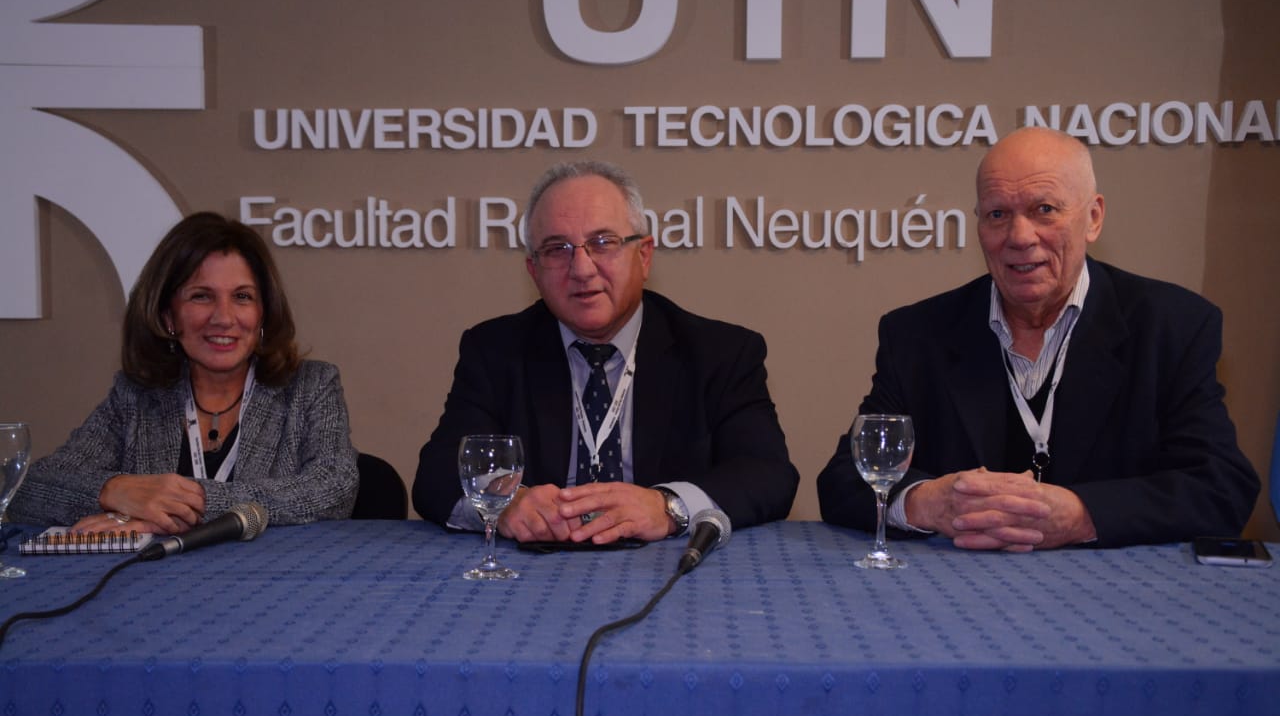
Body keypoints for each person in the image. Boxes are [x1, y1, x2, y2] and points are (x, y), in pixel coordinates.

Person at [817, 126, 1258, 549]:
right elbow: (844, 479)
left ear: (1093, 218)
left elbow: (1220, 486)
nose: (1020, 237)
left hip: (1111, 591)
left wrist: (1082, 515)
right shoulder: (917, 334)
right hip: (953, 586)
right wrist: (927, 502)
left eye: (1044, 209)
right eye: (997, 214)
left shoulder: (1172, 327)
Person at [414, 160, 798, 543]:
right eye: (557, 249)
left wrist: (669, 506)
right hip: (534, 567)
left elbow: (767, 473)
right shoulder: (495, 350)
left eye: (602, 243)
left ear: (643, 256)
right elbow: (438, 473)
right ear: (534, 271)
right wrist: (506, 500)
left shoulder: (721, 353)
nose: (582, 269)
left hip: (666, 565)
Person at [10, 212, 358, 532]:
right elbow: (28, 489)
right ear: (168, 316)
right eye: (201, 296)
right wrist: (115, 491)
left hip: (274, 573)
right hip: (155, 576)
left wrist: (184, 505)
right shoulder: (136, 396)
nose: (223, 317)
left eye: (242, 297)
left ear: (263, 313)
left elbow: (334, 489)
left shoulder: (310, 386)